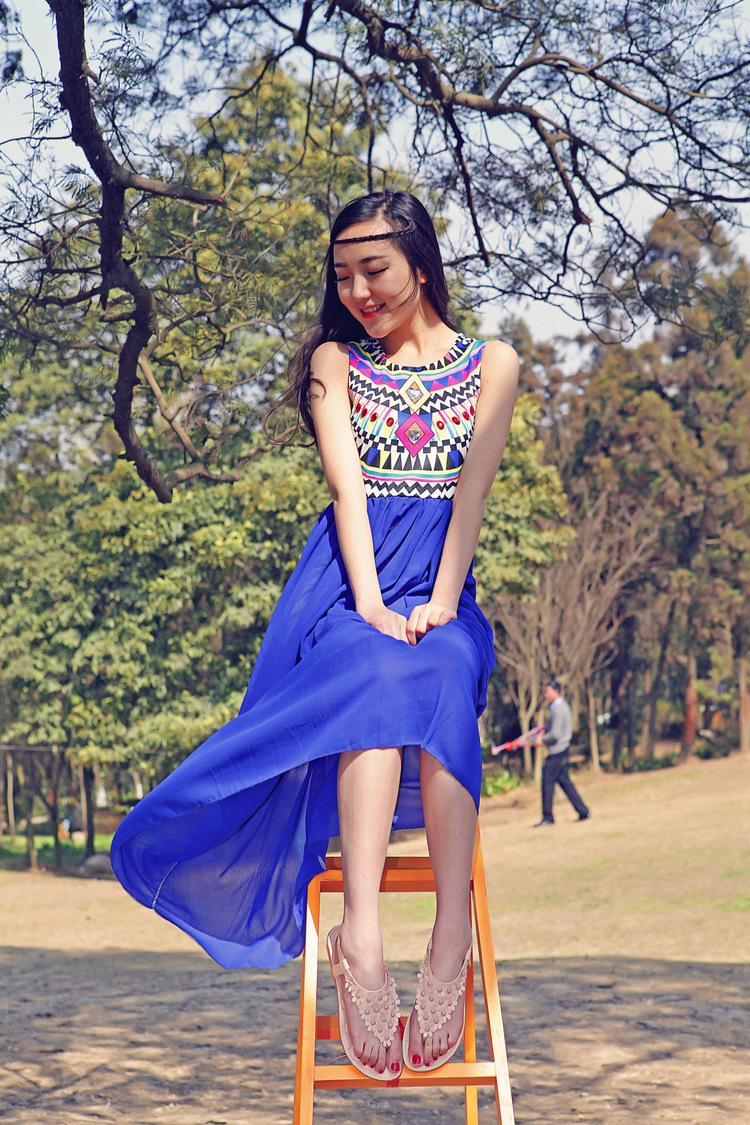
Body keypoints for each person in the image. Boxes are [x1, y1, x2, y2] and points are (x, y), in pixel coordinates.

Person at [111, 190, 519, 1082]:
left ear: (421, 264)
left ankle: (449, 940)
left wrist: (441, 601)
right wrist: (372, 606)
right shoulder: (336, 363)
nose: (358, 291)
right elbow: (348, 493)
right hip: (347, 589)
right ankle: (360, 942)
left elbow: (472, 497)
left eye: (374, 270)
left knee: (445, 669)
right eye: (343, 276)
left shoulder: (495, 365)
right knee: (373, 672)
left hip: (441, 590)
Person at [534, 680, 591, 826]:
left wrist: (541, 739)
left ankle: (548, 817)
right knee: (565, 782)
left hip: (557, 752)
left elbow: (555, 734)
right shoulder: (559, 707)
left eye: (548, 692)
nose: (546, 695)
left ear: (556, 691)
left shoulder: (559, 709)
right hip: (561, 751)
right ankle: (583, 811)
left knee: (547, 783)